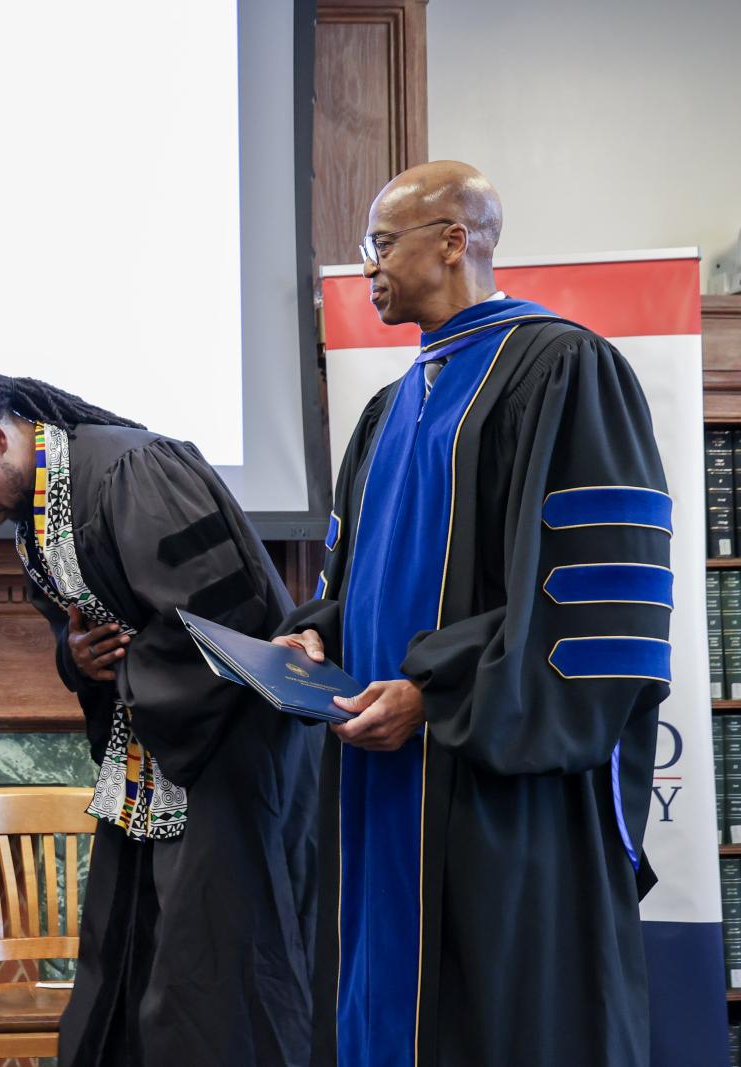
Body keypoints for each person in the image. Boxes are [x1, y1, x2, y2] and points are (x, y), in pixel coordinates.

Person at [277, 161, 669, 1067]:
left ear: (456, 240)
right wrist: (315, 634)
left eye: (383, 244)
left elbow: (592, 601)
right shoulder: (386, 410)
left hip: (493, 783)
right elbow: (361, 579)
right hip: (383, 783)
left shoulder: (565, 369)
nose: (368, 268)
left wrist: (436, 694)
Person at [0, 372, 318, 1066]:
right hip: (150, 754)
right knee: (127, 958)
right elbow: (87, 633)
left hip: (224, 751)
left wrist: (128, 670)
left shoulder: (132, 470)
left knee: (213, 973)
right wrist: (77, 658)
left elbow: (226, 620)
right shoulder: (38, 515)